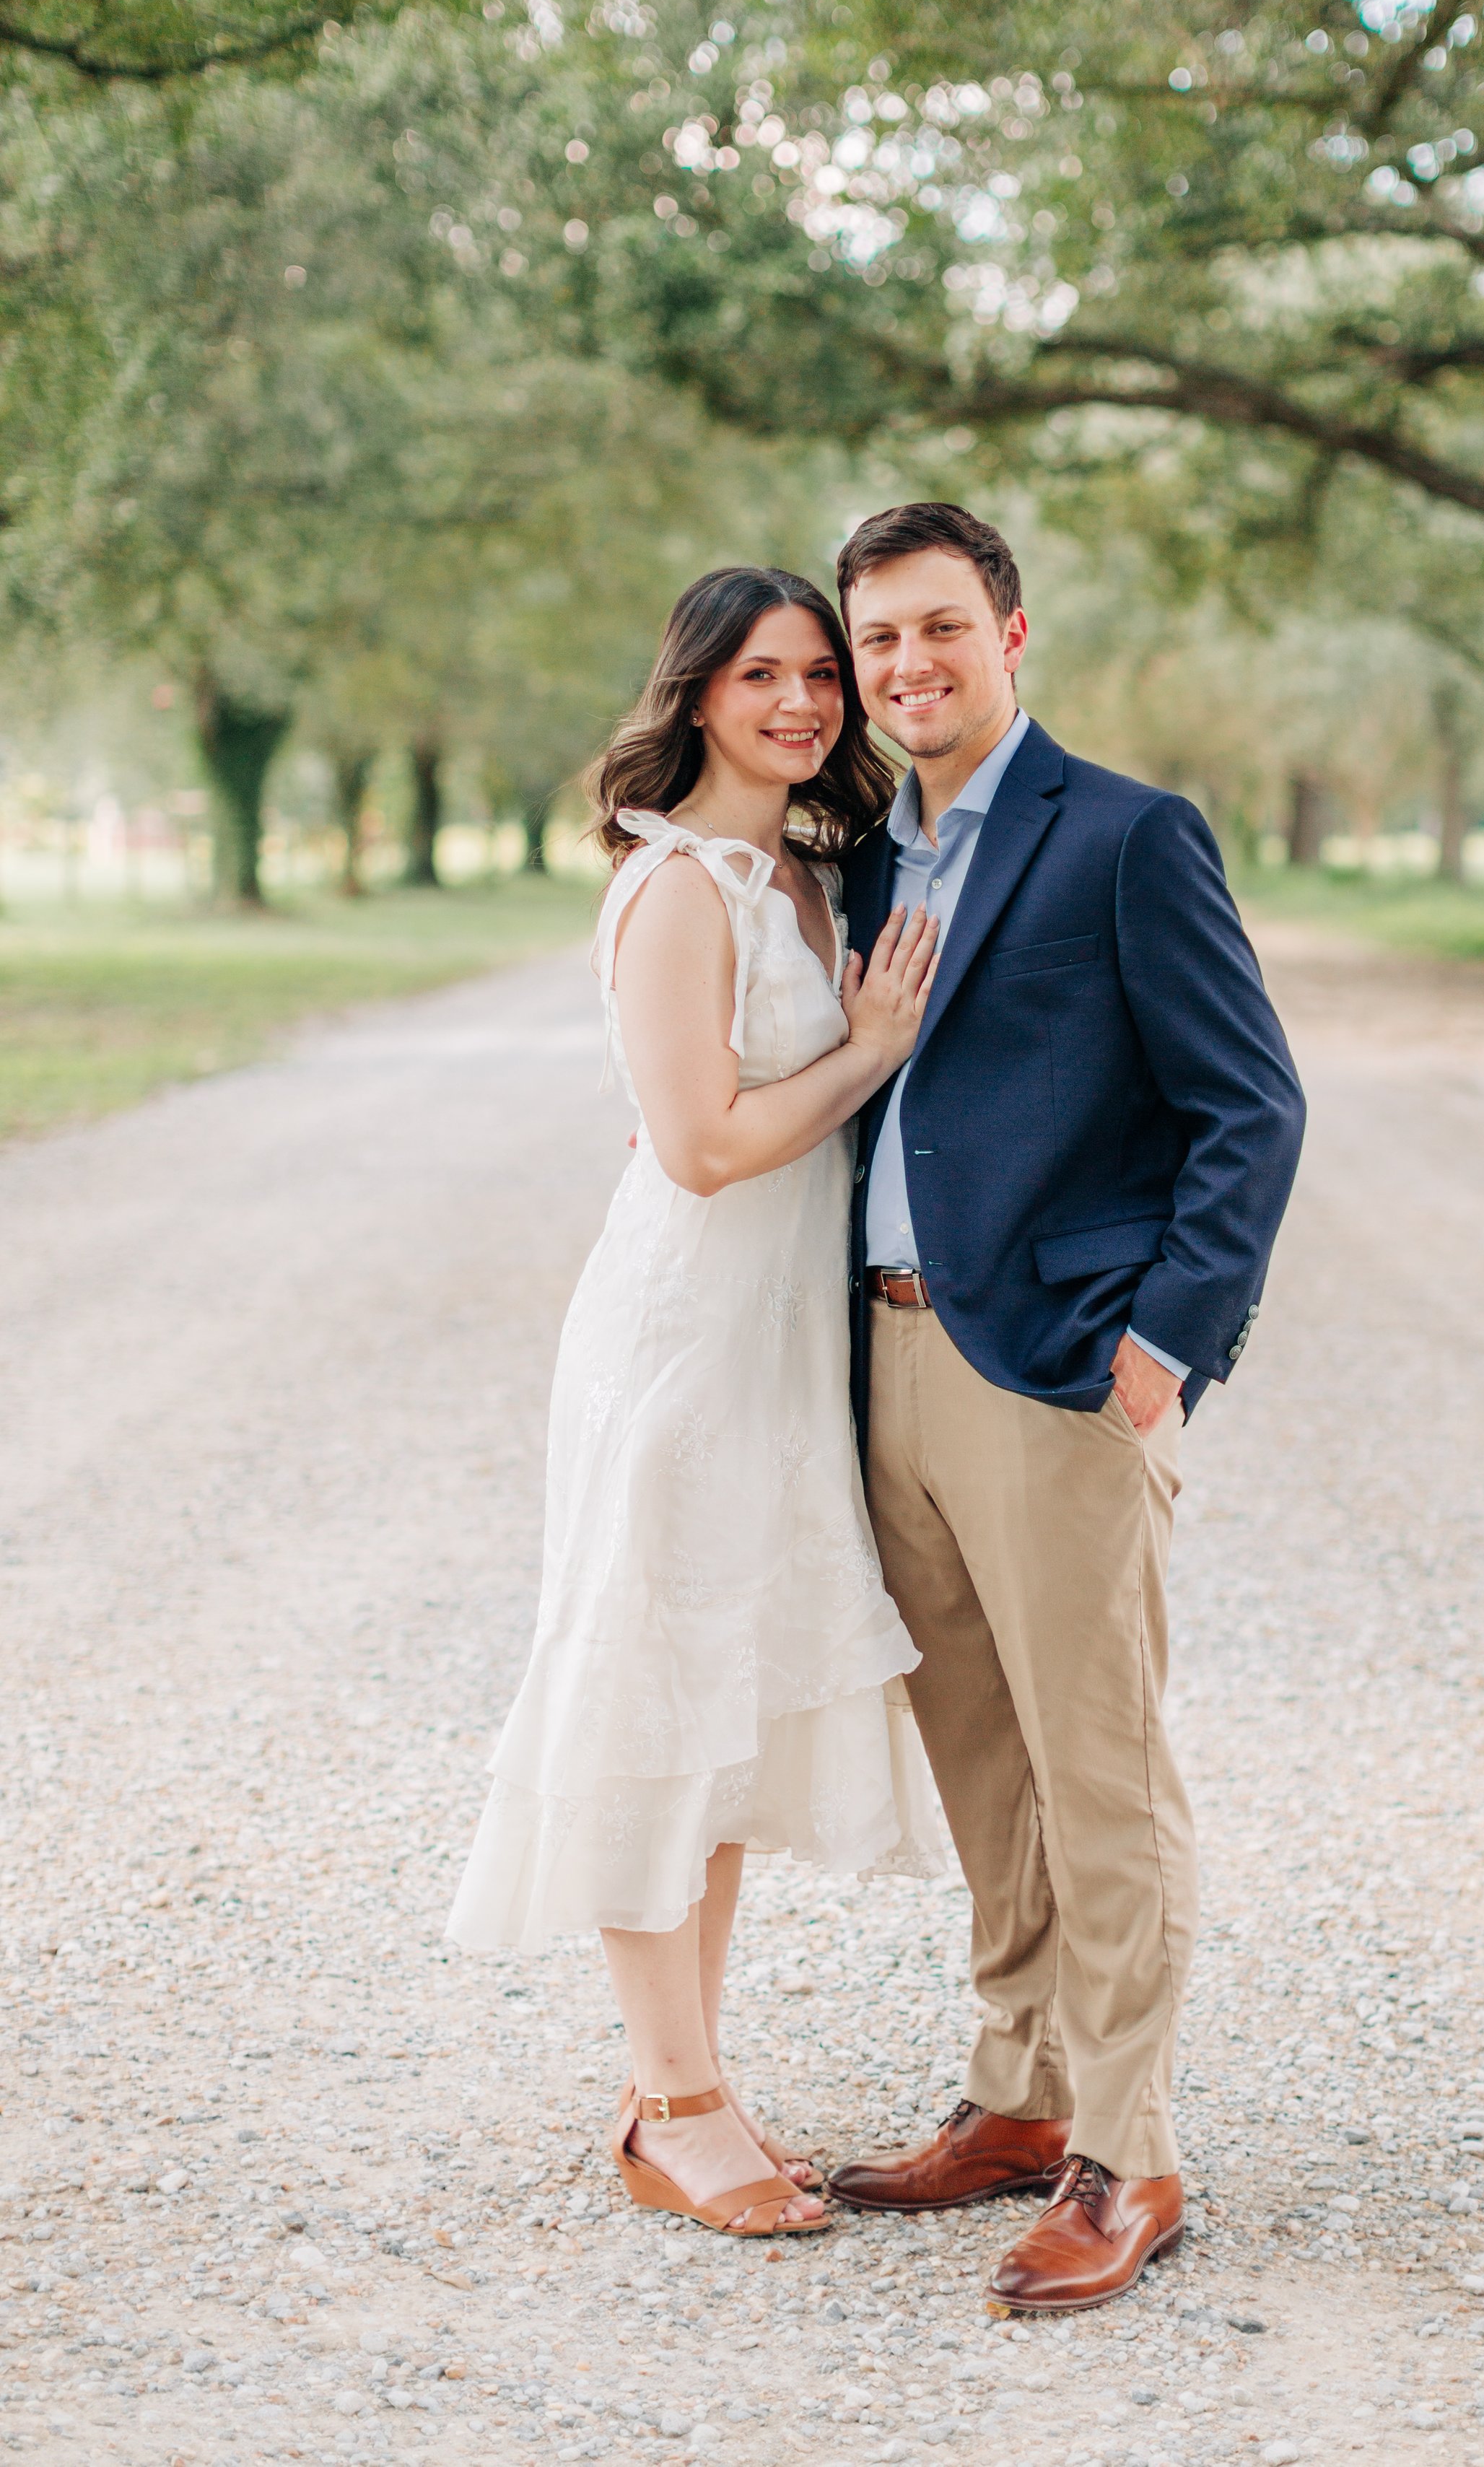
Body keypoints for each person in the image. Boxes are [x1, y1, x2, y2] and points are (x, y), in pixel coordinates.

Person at [825, 503, 1306, 2313]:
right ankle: (1018, 2097)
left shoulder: (1122, 835)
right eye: (879, 638)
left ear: (1009, 635)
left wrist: (1163, 1345)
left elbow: (1249, 1106)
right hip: (885, 1363)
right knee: (983, 1766)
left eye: (939, 627)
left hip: (1053, 1374)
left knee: (1097, 1771)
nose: (907, 665)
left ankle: (1129, 2150)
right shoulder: (859, 859)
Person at [446, 566, 943, 2239]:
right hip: (681, 1343)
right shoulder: (673, 887)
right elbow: (701, 1145)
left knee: (715, 1706)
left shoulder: (803, 870)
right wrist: (869, 1047)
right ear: (696, 693)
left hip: (775, 1344)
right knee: (654, 1703)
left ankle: (692, 2085)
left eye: (820, 675)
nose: (801, 703)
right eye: (759, 676)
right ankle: (670, 2106)